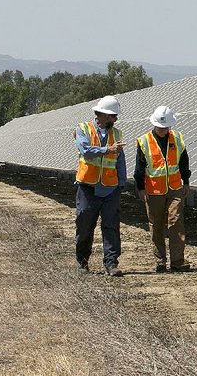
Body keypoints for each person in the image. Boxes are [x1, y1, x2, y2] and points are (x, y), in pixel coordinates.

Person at [134, 105, 192, 273]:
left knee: (176, 222)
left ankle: (178, 261)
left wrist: (186, 181)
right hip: (154, 190)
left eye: (165, 127)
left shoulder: (177, 138)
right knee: (157, 225)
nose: (163, 130)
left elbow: (183, 161)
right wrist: (140, 188)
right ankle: (160, 261)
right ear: (154, 124)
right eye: (160, 127)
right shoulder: (144, 141)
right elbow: (139, 168)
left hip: (175, 187)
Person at [74, 95, 127, 276]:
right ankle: (82, 262)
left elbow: (120, 160)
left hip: (110, 189)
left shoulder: (117, 134)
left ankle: (111, 264)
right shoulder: (83, 129)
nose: (115, 119)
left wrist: (121, 183)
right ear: (103, 115)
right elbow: (86, 152)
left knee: (111, 226)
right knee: (85, 226)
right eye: (113, 115)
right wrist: (107, 150)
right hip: (88, 187)